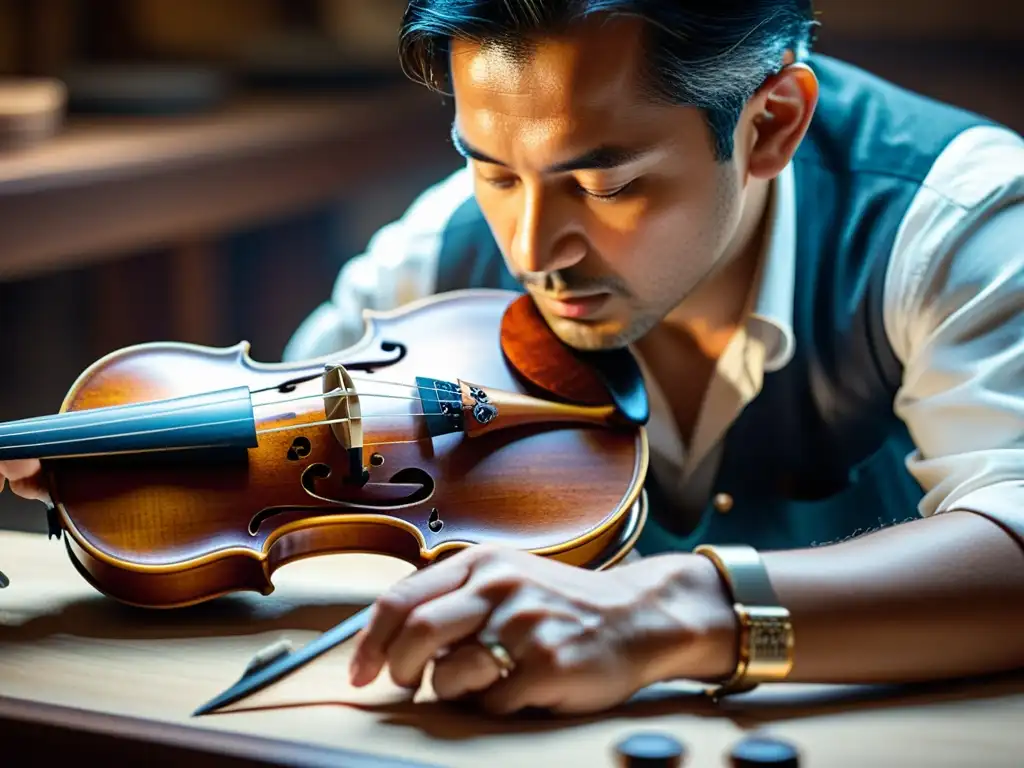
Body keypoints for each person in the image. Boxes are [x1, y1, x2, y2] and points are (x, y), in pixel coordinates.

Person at [3, 1, 1023, 716]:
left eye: (607, 182)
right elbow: (286, 456)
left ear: (770, 124)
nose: (532, 249)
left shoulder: (956, 220)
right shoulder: (444, 245)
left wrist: (669, 610)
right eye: (490, 167)